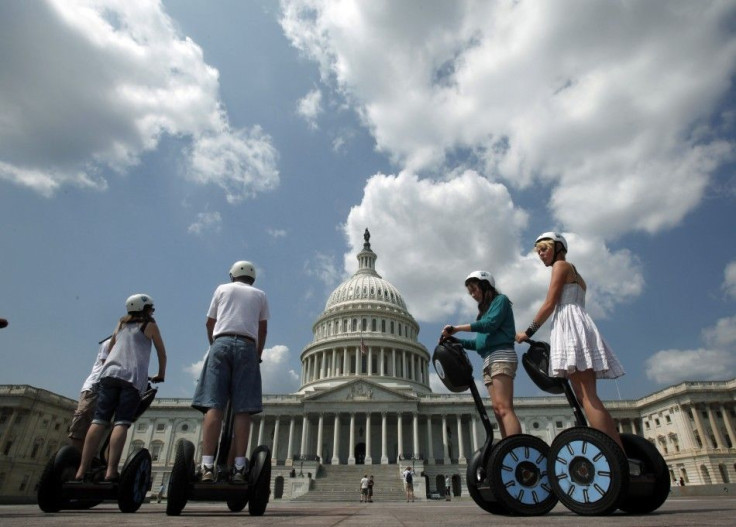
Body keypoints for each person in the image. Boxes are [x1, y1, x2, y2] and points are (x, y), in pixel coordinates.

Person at [515, 232, 625, 451]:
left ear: (559, 248)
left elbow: (549, 303)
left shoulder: (561, 266)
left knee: (587, 396)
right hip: (579, 322)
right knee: (586, 395)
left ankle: (614, 454)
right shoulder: (577, 275)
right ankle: (617, 451)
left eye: (544, 249)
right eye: (538, 252)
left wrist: (528, 332)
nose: (540, 255)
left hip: (570, 323)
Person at [192, 260, 269, 484]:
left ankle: (206, 465)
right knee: (243, 409)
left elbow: (209, 322)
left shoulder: (221, 289)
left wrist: (213, 345)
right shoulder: (260, 295)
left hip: (221, 343)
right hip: (247, 346)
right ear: (253, 278)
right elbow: (263, 328)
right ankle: (238, 467)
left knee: (214, 405)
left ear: (232, 275)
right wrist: (257, 353)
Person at [75, 294, 167, 482]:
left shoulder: (120, 325)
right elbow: (161, 352)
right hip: (131, 377)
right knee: (121, 423)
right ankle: (110, 471)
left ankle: (81, 470)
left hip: (108, 375)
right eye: (151, 308)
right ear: (146, 309)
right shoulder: (149, 326)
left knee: (98, 421)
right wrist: (161, 374)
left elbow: (111, 350)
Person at [441, 271, 521, 438]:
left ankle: (516, 448)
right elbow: (478, 344)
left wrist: (457, 328)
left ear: (485, 286)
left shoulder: (501, 301)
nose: (472, 295)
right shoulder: (485, 313)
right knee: (498, 410)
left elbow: (489, 325)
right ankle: (507, 448)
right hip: (488, 360)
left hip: (501, 356)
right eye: (470, 292)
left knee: (505, 407)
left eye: (474, 289)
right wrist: (454, 340)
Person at [67, 338, 112, 452]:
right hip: (94, 387)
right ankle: (73, 456)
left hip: (110, 391)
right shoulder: (110, 343)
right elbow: (107, 366)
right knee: (82, 420)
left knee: (105, 428)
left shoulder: (129, 348)